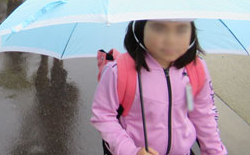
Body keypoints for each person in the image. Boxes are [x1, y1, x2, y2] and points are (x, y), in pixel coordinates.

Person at [91, 20, 227, 155]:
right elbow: (103, 116)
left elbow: (202, 114)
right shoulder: (119, 71)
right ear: (140, 28)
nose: (171, 40)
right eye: (159, 28)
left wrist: (215, 151)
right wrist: (130, 151)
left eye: (181, 29)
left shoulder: (195, 70)